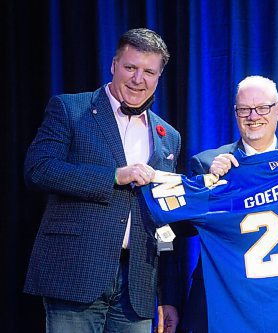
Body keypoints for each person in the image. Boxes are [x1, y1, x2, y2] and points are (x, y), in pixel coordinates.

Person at [24, 28, 180, 333]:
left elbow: (164, 222)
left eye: (149, 71)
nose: (138, 79)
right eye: (130, 67)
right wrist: (112, 176)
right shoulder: (71, 109)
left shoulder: (168, 135)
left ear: (158, 77)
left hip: (137, 285)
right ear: (113, 65)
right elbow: (38, 169)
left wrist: (167, 295)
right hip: (76, 272)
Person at [180, 75, 278, 332]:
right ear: (235, 113)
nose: (253, 116)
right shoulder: (207, 163)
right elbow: (181, 230)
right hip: (220, 296)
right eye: (244, 109)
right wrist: (208, 185)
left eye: (262, 108)